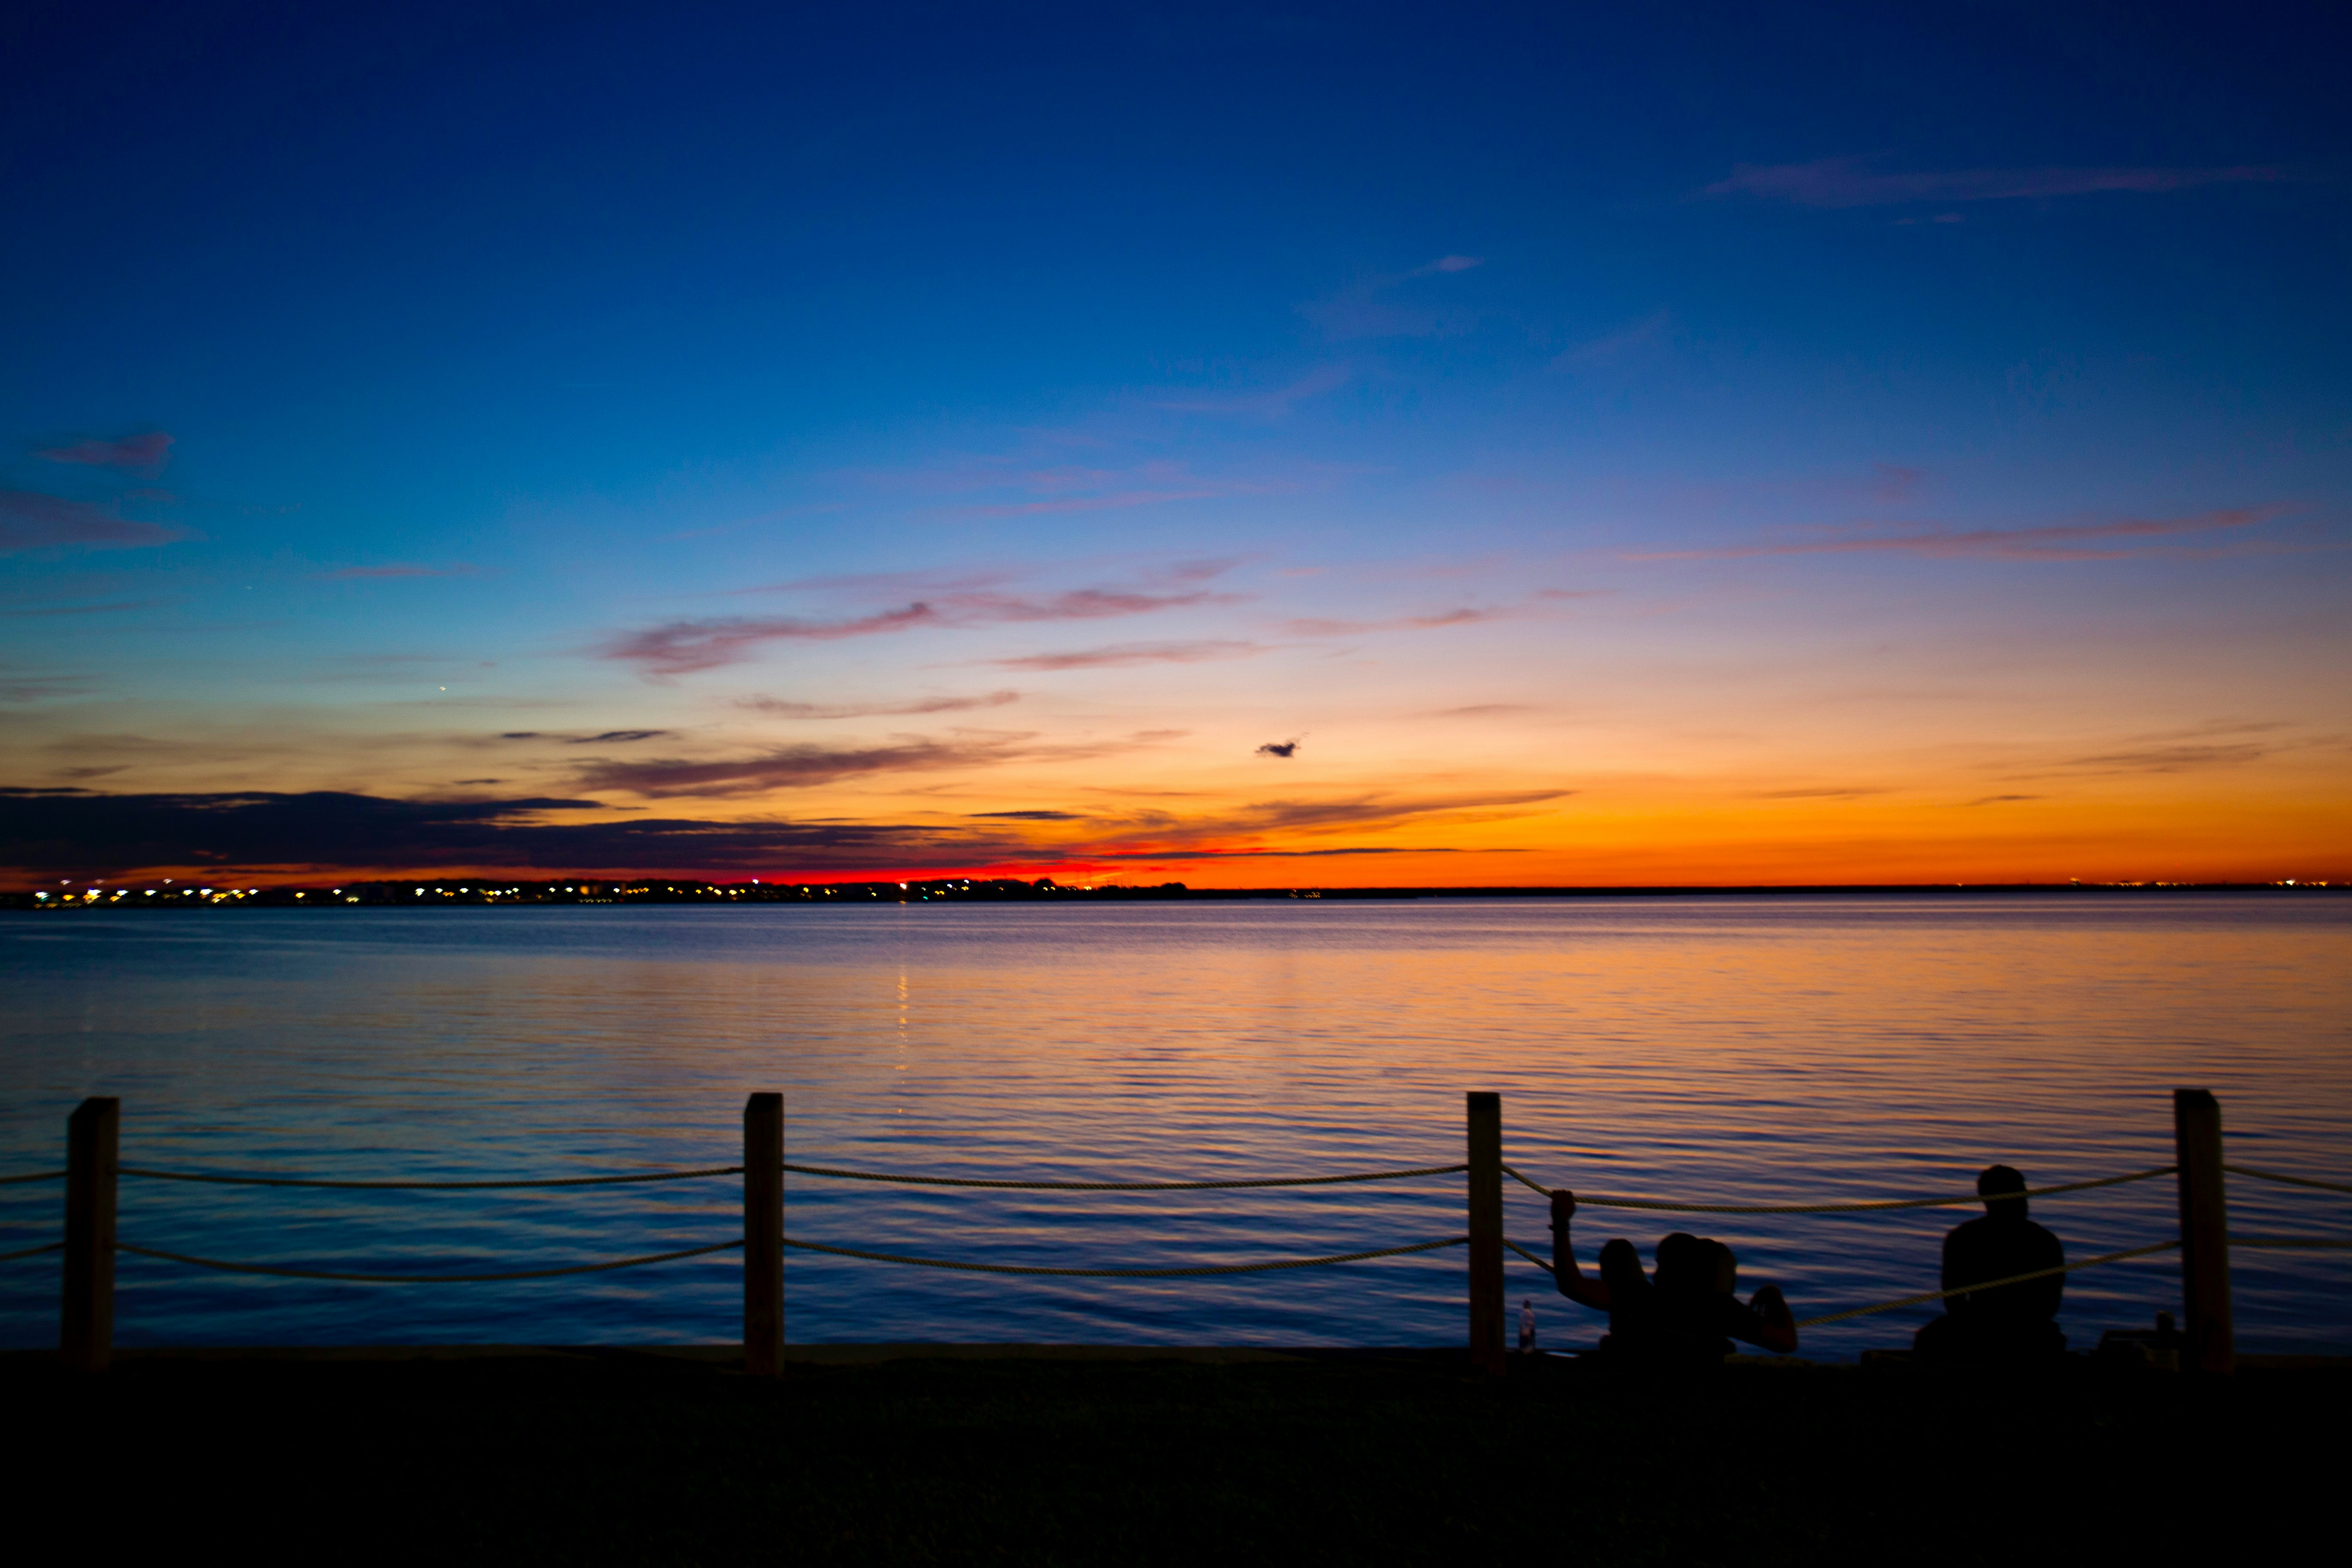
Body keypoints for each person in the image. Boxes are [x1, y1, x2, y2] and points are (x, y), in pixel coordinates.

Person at [1548, 1188, 1797, 1365]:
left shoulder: (1644, 1299)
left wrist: (1561, 1224)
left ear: (1666, 1272)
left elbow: (1572, 1285)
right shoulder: (1723, 1311)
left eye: (1659, 1264)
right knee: (1718, 1252)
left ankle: (1625, 1335)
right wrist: (1774, 1297)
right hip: (1698, 1369)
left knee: (1619, 1251)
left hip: (1638, 1359)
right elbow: (1787, 1343)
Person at [1912, 1164, 2067, 1361]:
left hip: (2011, 1327)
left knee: (1929, 1339)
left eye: (2022, 1194)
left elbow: (1953, 1299)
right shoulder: (2045, 1240)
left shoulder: (1963, 1238)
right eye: (2018, 1194)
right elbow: (2050, 1303)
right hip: (2005, 1327)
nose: (2023, 1201)